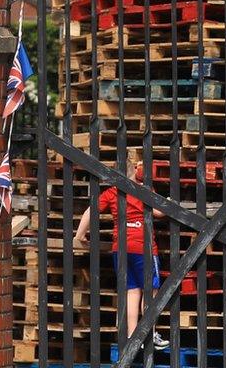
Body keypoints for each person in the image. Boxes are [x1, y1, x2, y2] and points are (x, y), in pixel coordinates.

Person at [75, 149, 170, 352]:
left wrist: (80, 235)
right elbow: (159, 212)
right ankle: (149, 332)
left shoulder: (112, 193)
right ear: (135, 171)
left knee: (132, 290)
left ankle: (132, 335)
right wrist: (170, 203)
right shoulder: (144, 190)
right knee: (150, 290)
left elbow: (91, 211)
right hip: (143, 248)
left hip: (122, 249)